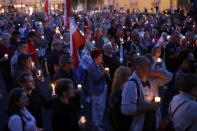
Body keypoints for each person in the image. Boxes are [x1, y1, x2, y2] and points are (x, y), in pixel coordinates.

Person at [121, 56, 172, 131]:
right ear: (138, 68)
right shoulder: (131, 85)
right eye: (148, 65)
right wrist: (148, 107)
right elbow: (126, 110)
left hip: (154, 125)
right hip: (139, 127)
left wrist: (154, 72)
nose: (151, 66)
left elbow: (169, 77)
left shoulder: (152, 80)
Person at [86, 49, 109, 130]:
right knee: (97, 107)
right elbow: (95, 79)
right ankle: (95, 125)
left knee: (102, 107)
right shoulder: (91, 67)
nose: (101, 57)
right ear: (95, 57)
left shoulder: (100, 64)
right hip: (96, 90)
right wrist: (103, 73)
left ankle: (99, 122)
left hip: (103, 87)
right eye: (100, 56)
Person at [109, 66, 132, 131]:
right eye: (129, 75)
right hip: (120, 124)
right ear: (122, 77)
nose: (130, 78)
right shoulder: (119, 92)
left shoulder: (119, 90)